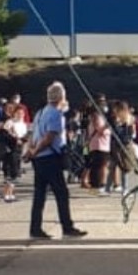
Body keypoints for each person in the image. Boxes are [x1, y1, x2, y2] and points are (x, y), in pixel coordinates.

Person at [24, 82, 86, 239]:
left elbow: (34, 134)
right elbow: (49, 137)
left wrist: (31, 150)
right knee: (61, 193)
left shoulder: (40, 113)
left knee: (40, 194)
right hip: (50, 157)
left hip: (39, 158)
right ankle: (67, 226)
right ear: (61, 97)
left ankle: (35, 228)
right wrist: (36, 150)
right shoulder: (56, 114)